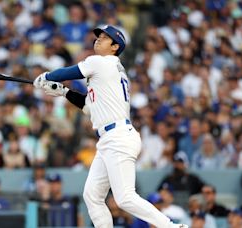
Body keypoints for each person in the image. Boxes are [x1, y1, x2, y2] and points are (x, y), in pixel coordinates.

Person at [33, 24, 187, 228]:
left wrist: (46, 77)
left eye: (104, 38)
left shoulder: (101, 62)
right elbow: (89, 107)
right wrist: (63, 92)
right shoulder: (107, 71)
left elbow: (69, 71)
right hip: (110, 138)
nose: (98, 39)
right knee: (92, 195)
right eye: (98, 36)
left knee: (124, 197)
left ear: (115, 46)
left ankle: (172, 226)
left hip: (118, 136)